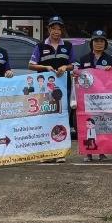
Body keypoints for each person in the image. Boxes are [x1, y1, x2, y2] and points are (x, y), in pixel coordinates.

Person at [30, 16, 76, 162]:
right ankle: (45, 153)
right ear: (48, 29)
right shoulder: (40, 46)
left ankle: (60, 152)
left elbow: (74, 65)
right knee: (45, 119)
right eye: (53, 28)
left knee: (61, 118)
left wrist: (65, 67)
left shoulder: (67, 46)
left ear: (62, 30)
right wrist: (45, 67)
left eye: (59, 28)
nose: (56, 31)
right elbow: (31, 65)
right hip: (44, 90)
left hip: (63, 89)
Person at [76, 30, 112, 162]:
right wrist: (75, 73)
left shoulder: (110, 59)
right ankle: (88, 153)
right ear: (92, 43)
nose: (99, 43)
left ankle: (102, 152)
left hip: (103, 98)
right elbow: (76, 74)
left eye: (101, 41)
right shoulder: (84, 59)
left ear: (105, 43)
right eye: (96, 41)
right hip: (87, 99)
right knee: (87, 124)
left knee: (102, 124)